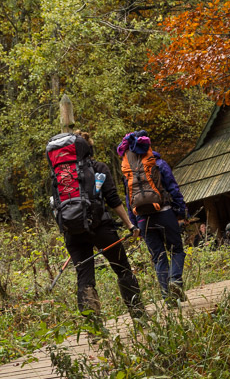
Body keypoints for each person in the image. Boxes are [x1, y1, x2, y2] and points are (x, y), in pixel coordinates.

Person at [50, 131, 144, 323]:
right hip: (101, 228)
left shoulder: (60, 175)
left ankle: (94, 328)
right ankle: (139, 316)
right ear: (87, 148)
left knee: (84, 278)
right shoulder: (98, 167)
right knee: (122, 269)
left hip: (72, 234)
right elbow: (112, 199)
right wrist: (129, 224)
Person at [117, 131, 187, 302]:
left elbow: (128, 199)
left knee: (159, 257)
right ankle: (175, 281)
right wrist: (182, 212)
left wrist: (134, 224)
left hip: (143, 219)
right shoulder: (158, 164)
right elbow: (173, 189)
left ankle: (167, 296)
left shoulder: (129, 172)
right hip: (164, 212)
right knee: (176, 249)